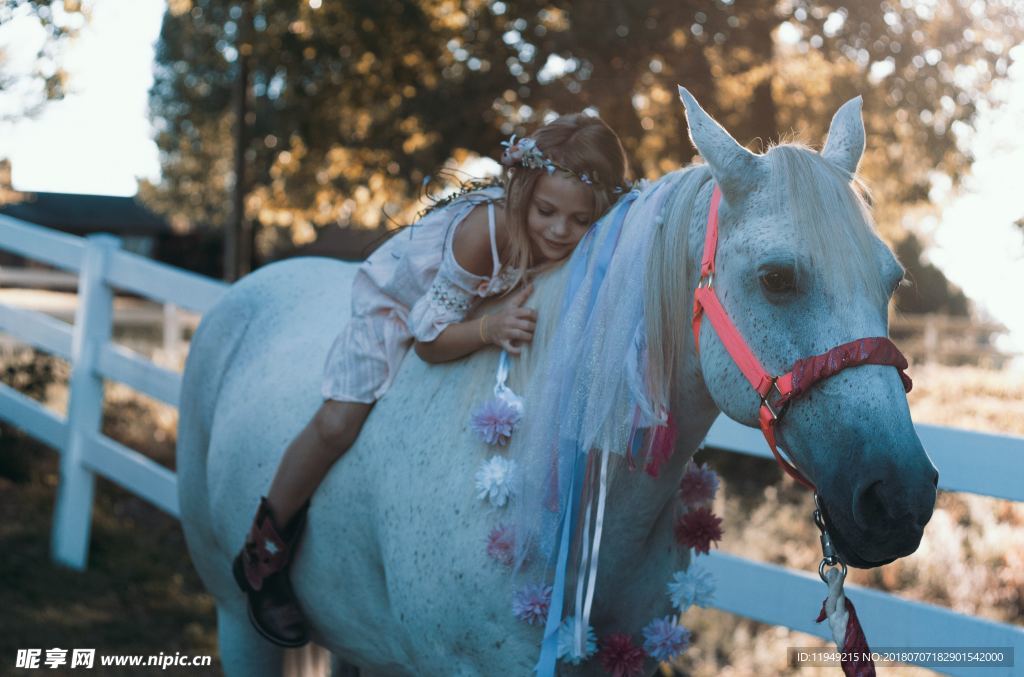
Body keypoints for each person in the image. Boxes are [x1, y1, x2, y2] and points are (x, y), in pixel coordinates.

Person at [231, 113, 630, 647]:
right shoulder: (485, 233)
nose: (559, 231)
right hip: (403, 307)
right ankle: (264, 551)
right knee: (339, 421)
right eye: (546, 211)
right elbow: (428, 339)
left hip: (477, 302)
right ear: (523, 194)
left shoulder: (582, 237)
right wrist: (488, 327)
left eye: (579, 220)